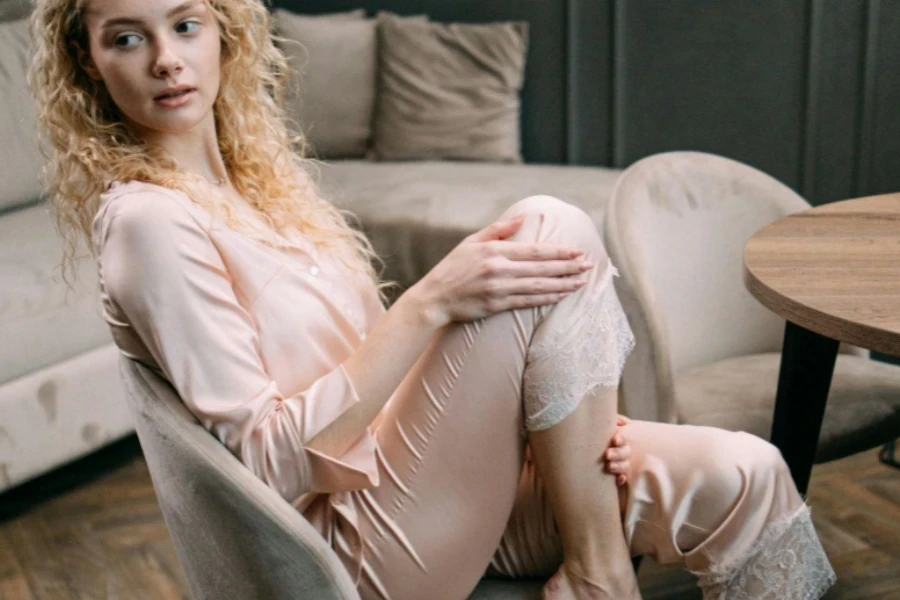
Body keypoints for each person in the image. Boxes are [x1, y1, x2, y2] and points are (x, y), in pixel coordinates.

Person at [28, 0, 837, 598]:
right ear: (87, 61)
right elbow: (266, 472)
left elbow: (399, 398)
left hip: (434, 491)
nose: (166, 58)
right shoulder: (150, 222)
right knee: (549, 225)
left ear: (225, 33)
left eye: (185, 25)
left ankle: (594, 564)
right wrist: (429, 302)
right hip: (354, 548)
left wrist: (562, 423)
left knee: (748, 470)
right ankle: (598, 577)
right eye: (126, 38)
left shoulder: (257, 184)